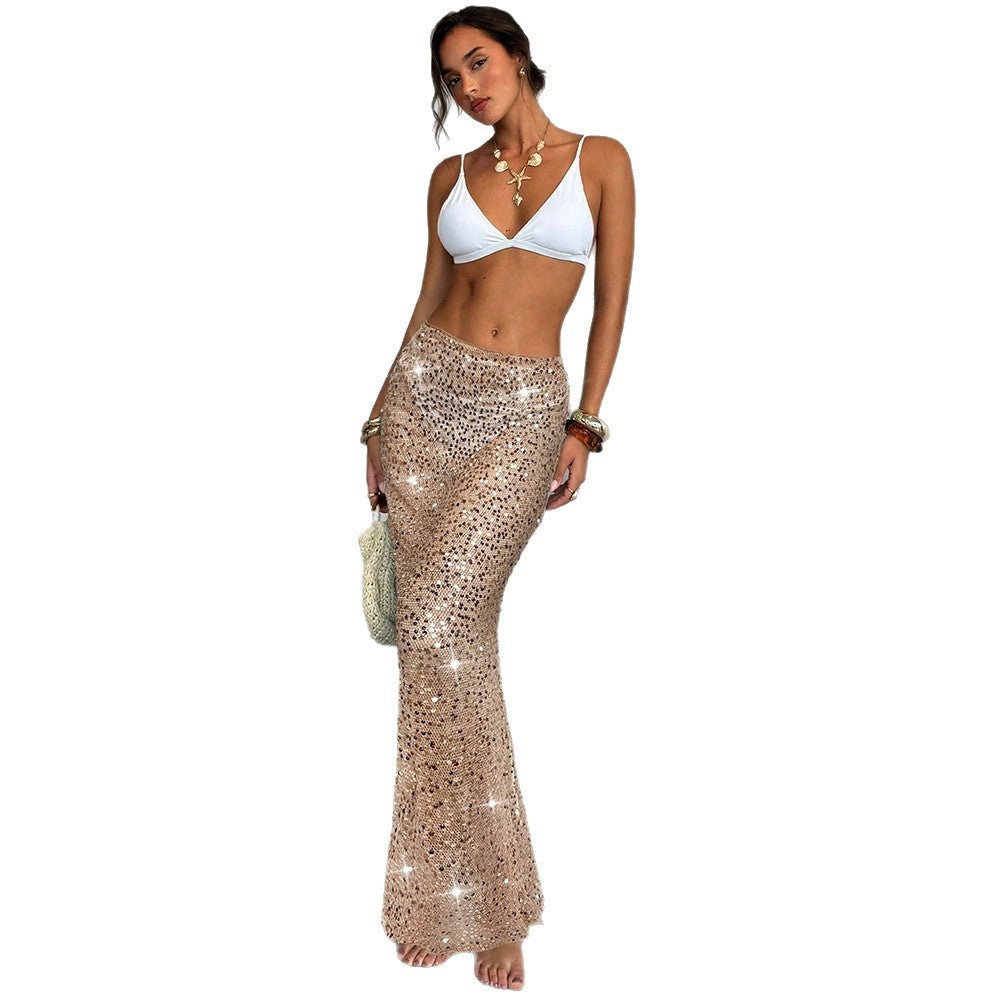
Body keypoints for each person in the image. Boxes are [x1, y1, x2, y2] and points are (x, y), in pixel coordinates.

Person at [361, 7, 634, 991]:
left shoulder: (601, 160)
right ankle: (455, 895)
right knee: (437, 643)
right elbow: (426, 298)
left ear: (518, 58)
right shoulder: (448, 178)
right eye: (452, 77)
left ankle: (498, 904)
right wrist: (377, 420)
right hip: (426, 400)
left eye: (478, 62)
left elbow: (611, 301)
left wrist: (585, 422)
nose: (468, 86)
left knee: (444, 622)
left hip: (524, 411)